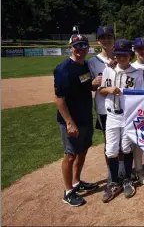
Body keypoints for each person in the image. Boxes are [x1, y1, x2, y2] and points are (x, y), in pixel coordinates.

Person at [54, 34, 98, 207]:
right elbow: (59, 99)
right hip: (71, 121)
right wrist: (69, 122)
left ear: (88, 48)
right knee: (70, 155)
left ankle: (76, 182)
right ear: (70, 48)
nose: (80, 49)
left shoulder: (85, 66)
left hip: (85, 117)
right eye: (76, 46)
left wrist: (95, 84)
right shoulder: (64, 69)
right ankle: (67, 191)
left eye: (83, 46)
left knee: (82, 152)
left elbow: (85, 86)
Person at [99, 39, 144, 203]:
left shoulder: (137, 73)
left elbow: (141, 96)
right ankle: (113, 183)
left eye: (125, 55)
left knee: (125, 147)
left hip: (127, 116)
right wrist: (108, 89)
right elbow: (101, 90)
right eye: (118, 54)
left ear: (130, 55)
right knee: (111, 150)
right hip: (111, 115)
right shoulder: (108, 71)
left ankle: (126, 179)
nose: (121, 58)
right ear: (115, 55)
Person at [88, 25, 128, 185]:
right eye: (103, 37)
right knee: (109, 142)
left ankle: (123, 171)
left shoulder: (122, 56)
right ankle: (112, 173)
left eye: (109, 37)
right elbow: (88, 85)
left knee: (124, 142)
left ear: (114, 39)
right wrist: (93, 83)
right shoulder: (92, 62)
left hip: (123, 107)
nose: (106, 40)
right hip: (103, 107)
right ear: (98, 41)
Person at [130, 37, 144, 186]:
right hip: (137, 110)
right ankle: (139, 169)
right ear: (135, 50)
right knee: (138, 141)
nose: (142, 51)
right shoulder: (131, 67)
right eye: (139, 48)